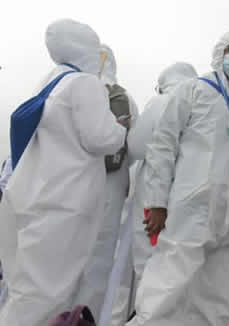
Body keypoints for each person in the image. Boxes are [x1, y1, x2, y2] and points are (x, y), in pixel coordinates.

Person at [126, 29, 229, 326]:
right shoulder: (193, 90)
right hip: (194, 206)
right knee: (167, 288)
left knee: (222, 297)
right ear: (219, 54)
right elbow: (163, 145)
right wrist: (157, 202)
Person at [0, 19, 127, 325]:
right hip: (63, 206)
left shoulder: (48, 83)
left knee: (23, 291)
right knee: (45, 296)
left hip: (28, 200)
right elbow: (102, 137)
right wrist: (120, 130)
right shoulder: (85, 84)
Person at [109, 62, 198, 325]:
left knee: (149, 268)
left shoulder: (162, 102)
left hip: (155, 201)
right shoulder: (207, 103)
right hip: (191, 201)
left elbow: (136, 147)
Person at [77, 44, 140, 321]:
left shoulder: (73, 89)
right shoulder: (126, 100)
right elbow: (135, 148)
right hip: (110, 194)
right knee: (98, 267)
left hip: (74, 189)